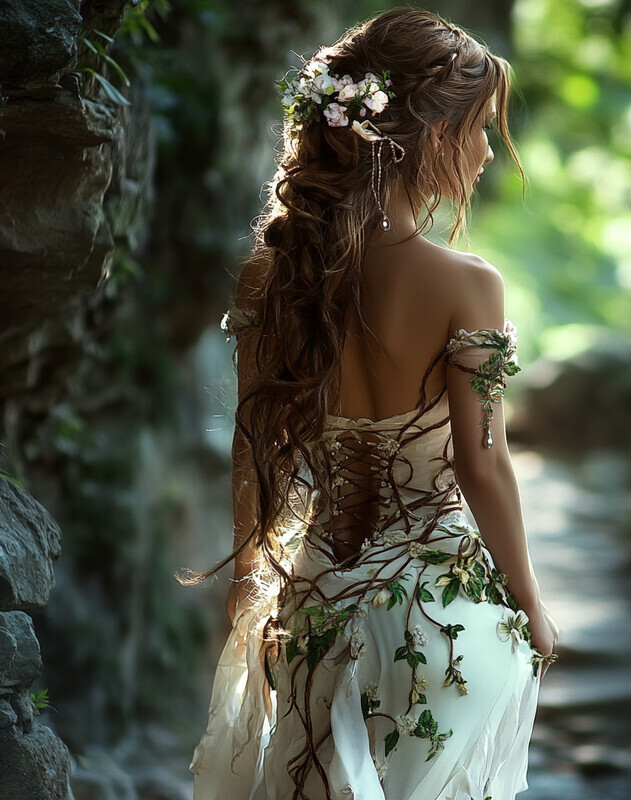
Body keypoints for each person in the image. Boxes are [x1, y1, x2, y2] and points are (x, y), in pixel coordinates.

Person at [188, 8, 559, 799]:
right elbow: (482, 463)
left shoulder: (273, 276)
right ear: (434, 138)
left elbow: (254, 438)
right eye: (481, 129)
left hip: (315, 612)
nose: (489, 152)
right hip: (438, 619)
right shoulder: (469, 285)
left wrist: (249, 575)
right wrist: (530, 605)